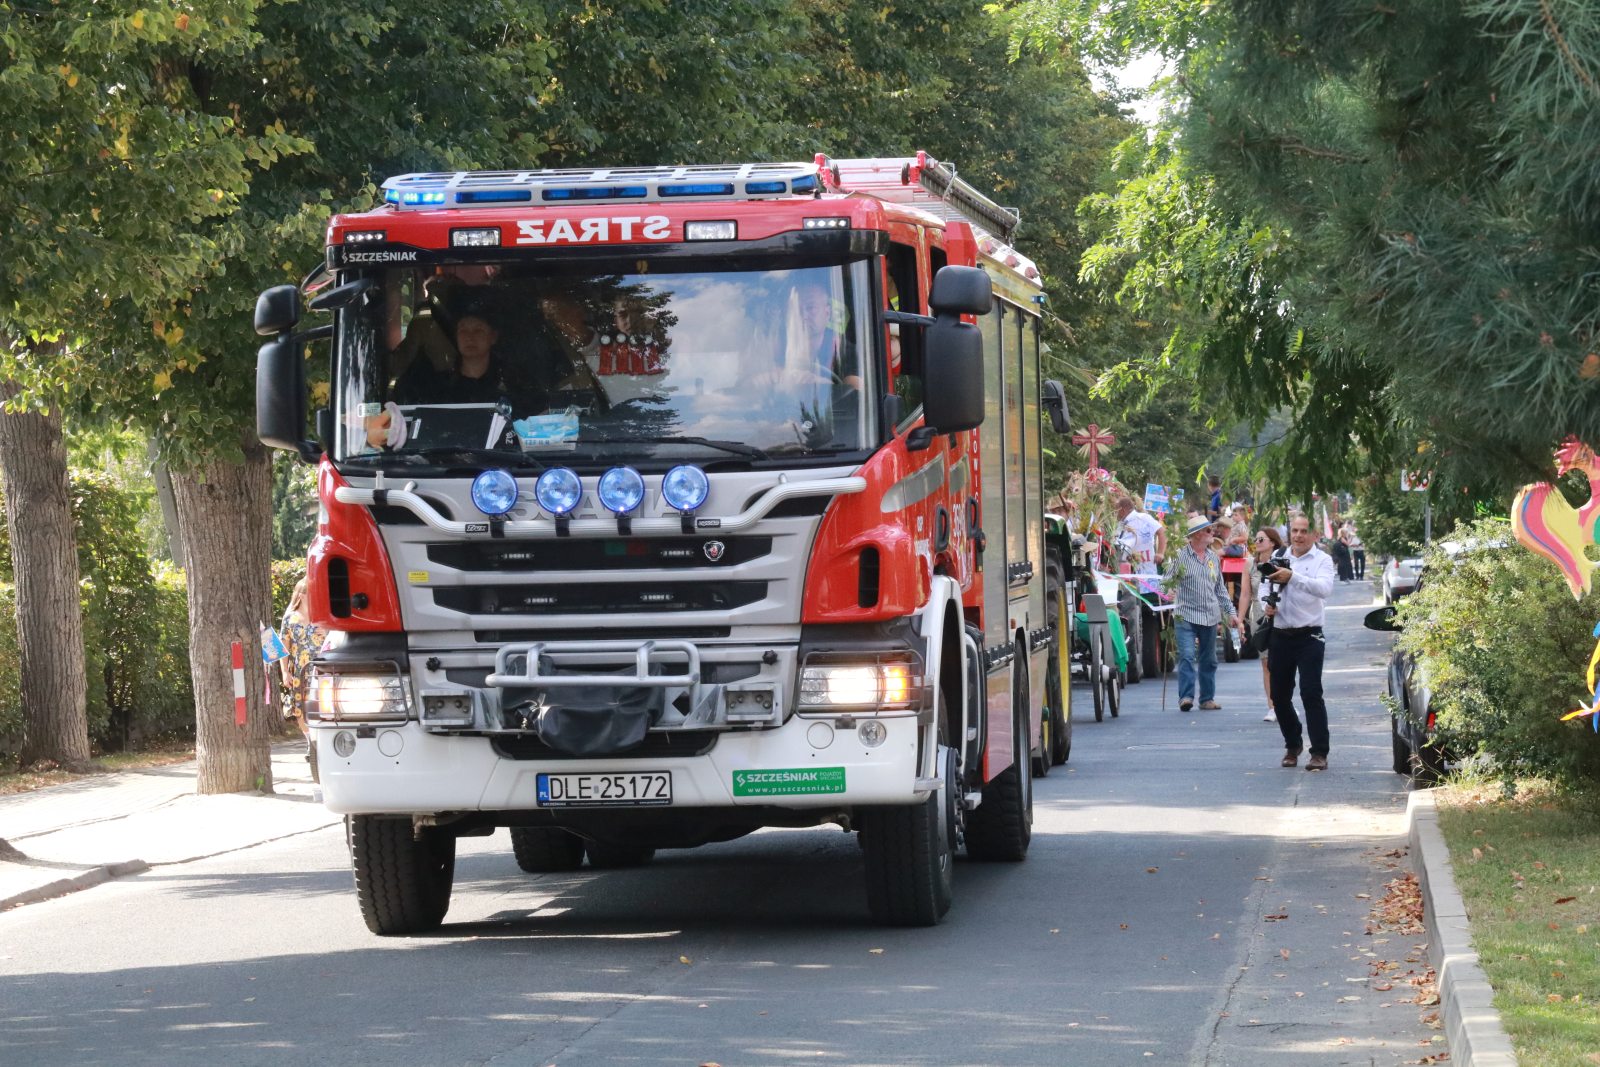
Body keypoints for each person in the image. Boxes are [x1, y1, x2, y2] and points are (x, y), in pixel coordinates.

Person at [1264, 513, 1336, 770]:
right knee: (1279, 696)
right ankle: (1292, 744)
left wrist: (1292, 577)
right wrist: (1267, 606)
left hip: (1310, 635)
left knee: (1310, 692)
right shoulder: (1277, 557)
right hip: (1281, 633)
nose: (1298, 536)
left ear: (1314, 535)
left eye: (1304, 531)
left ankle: (1319, 752)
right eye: (1294, 530)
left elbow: (1324, 589)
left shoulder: (1322, 560)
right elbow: (1266, 586)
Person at [1165, 513, 1241, 712]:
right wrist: (1168, 590)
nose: (1212, 533)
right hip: (1186, 615)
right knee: (1188, 656)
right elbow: (1165, 582)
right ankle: (1186, 697)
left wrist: (1231, 613)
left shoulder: (1213, 558)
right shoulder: (1180, 556)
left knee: (1209, 659)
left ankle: (1207, 699)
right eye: (1208, 530)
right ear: (1197, 534)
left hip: (1210, 616)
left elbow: (1220, 589)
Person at [279, 578, 328, 780]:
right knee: (300, 708)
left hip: (323, 669)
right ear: (301, 595)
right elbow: (284, 648)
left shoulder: (323, 617)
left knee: (323, 705)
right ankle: (311, 743)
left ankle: (322, 742)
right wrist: (285, 672)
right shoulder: (290, 618)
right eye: (310, 592)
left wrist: (327, 632)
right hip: (301, 669)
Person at [1237, 526, 1286, 721]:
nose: (1257, 543)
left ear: (1272, 542)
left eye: (1261, 539)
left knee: (1282, 662)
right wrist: (1240, 620)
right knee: (1266, 662)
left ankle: (1285, 702)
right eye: (1255, 540)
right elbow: (1246, 594)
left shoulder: (1281, 562)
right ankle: (1272, 706)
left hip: (1282, 613)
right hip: (1259, 614)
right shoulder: (1249, 564)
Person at [1113, 495, 1166, 574]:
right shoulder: (1120, 524)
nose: (1115, 513)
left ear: (1123, 510)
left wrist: (1160, 553)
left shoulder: (1143, 518)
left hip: (1145, 569)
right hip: (1127, 569)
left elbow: (1162, 532)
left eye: (1116, 510)